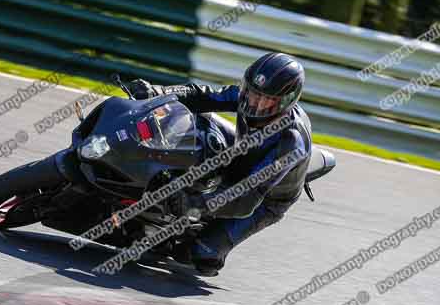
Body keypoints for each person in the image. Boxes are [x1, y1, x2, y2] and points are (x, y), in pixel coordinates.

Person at [126, 52, 312, 276]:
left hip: (265, 198)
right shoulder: (245, 97)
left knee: (201, 255)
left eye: (266, 99)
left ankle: (196, 240)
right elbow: (200, 95)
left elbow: (247, 198)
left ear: (285, 101)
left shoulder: (289, 143)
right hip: (242, 152)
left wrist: (193, 203)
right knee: (198, 126)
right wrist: (158, 92)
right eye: (253, 93)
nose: (255, 102)